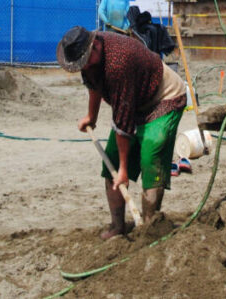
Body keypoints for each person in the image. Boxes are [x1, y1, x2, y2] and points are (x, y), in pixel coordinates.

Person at [58, 25, 187, 239]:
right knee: (111, 161)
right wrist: (92, 117)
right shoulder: (89, 59)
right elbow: (94, 86)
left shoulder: (118, 63)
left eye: (87, 60)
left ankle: (149, 227)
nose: (85, 66)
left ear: (95, 46)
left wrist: (124, 171)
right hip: (136, 99)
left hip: (164, 98)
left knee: (151, 156)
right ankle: (117, 226)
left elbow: (122, 124)